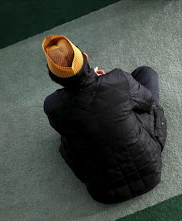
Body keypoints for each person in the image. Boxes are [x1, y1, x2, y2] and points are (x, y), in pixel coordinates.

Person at [42, 35, 167, 204]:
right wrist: (106, 83)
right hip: (151, 168)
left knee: (68, 138)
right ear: (85, 57)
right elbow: (147, 103)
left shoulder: (52, 106)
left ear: (54, 77)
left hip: (103, 191)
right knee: (145, 73)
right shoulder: (119, 79)